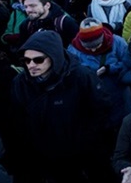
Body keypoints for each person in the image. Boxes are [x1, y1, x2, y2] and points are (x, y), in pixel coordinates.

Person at [9, 31, 111, 182]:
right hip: (46, 159)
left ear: (53, 56)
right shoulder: (21, 83)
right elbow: (18, 121)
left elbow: (101, 110)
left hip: (84, 155)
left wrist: (87, 142)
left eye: (38, 60)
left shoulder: (81, 76)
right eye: (26, 60)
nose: (31, 65)